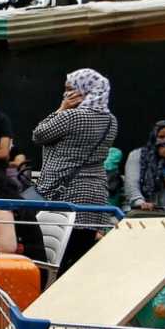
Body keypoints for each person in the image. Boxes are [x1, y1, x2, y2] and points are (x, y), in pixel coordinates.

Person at [33, 68, 119, 275]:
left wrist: (61, 108)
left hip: (64, 194)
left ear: (85, 90)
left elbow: (39, 134)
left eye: (70, 89)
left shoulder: (72, 116)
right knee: (80, 260)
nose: (67, 94)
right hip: (95, 196)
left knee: (55, 259)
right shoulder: (111, 121)